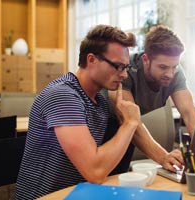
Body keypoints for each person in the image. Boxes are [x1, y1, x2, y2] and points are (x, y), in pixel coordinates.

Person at [15, 25, 140, 199]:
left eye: (126, 68)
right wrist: (130, 123)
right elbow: (95, 172)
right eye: (118, 66)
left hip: (77, 194)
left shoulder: (100, 102)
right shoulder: (63, 95)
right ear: (91, 60)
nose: (124, 75)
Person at [107, 25, 195, 173]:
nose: (170, 74)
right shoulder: (125, 69)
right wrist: (163, 157)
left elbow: (190, 113)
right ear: (146, 59)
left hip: (128, 130)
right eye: (163, 67)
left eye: (174, 67)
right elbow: (128, 119)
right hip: (104, 126)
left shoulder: (175, 73)